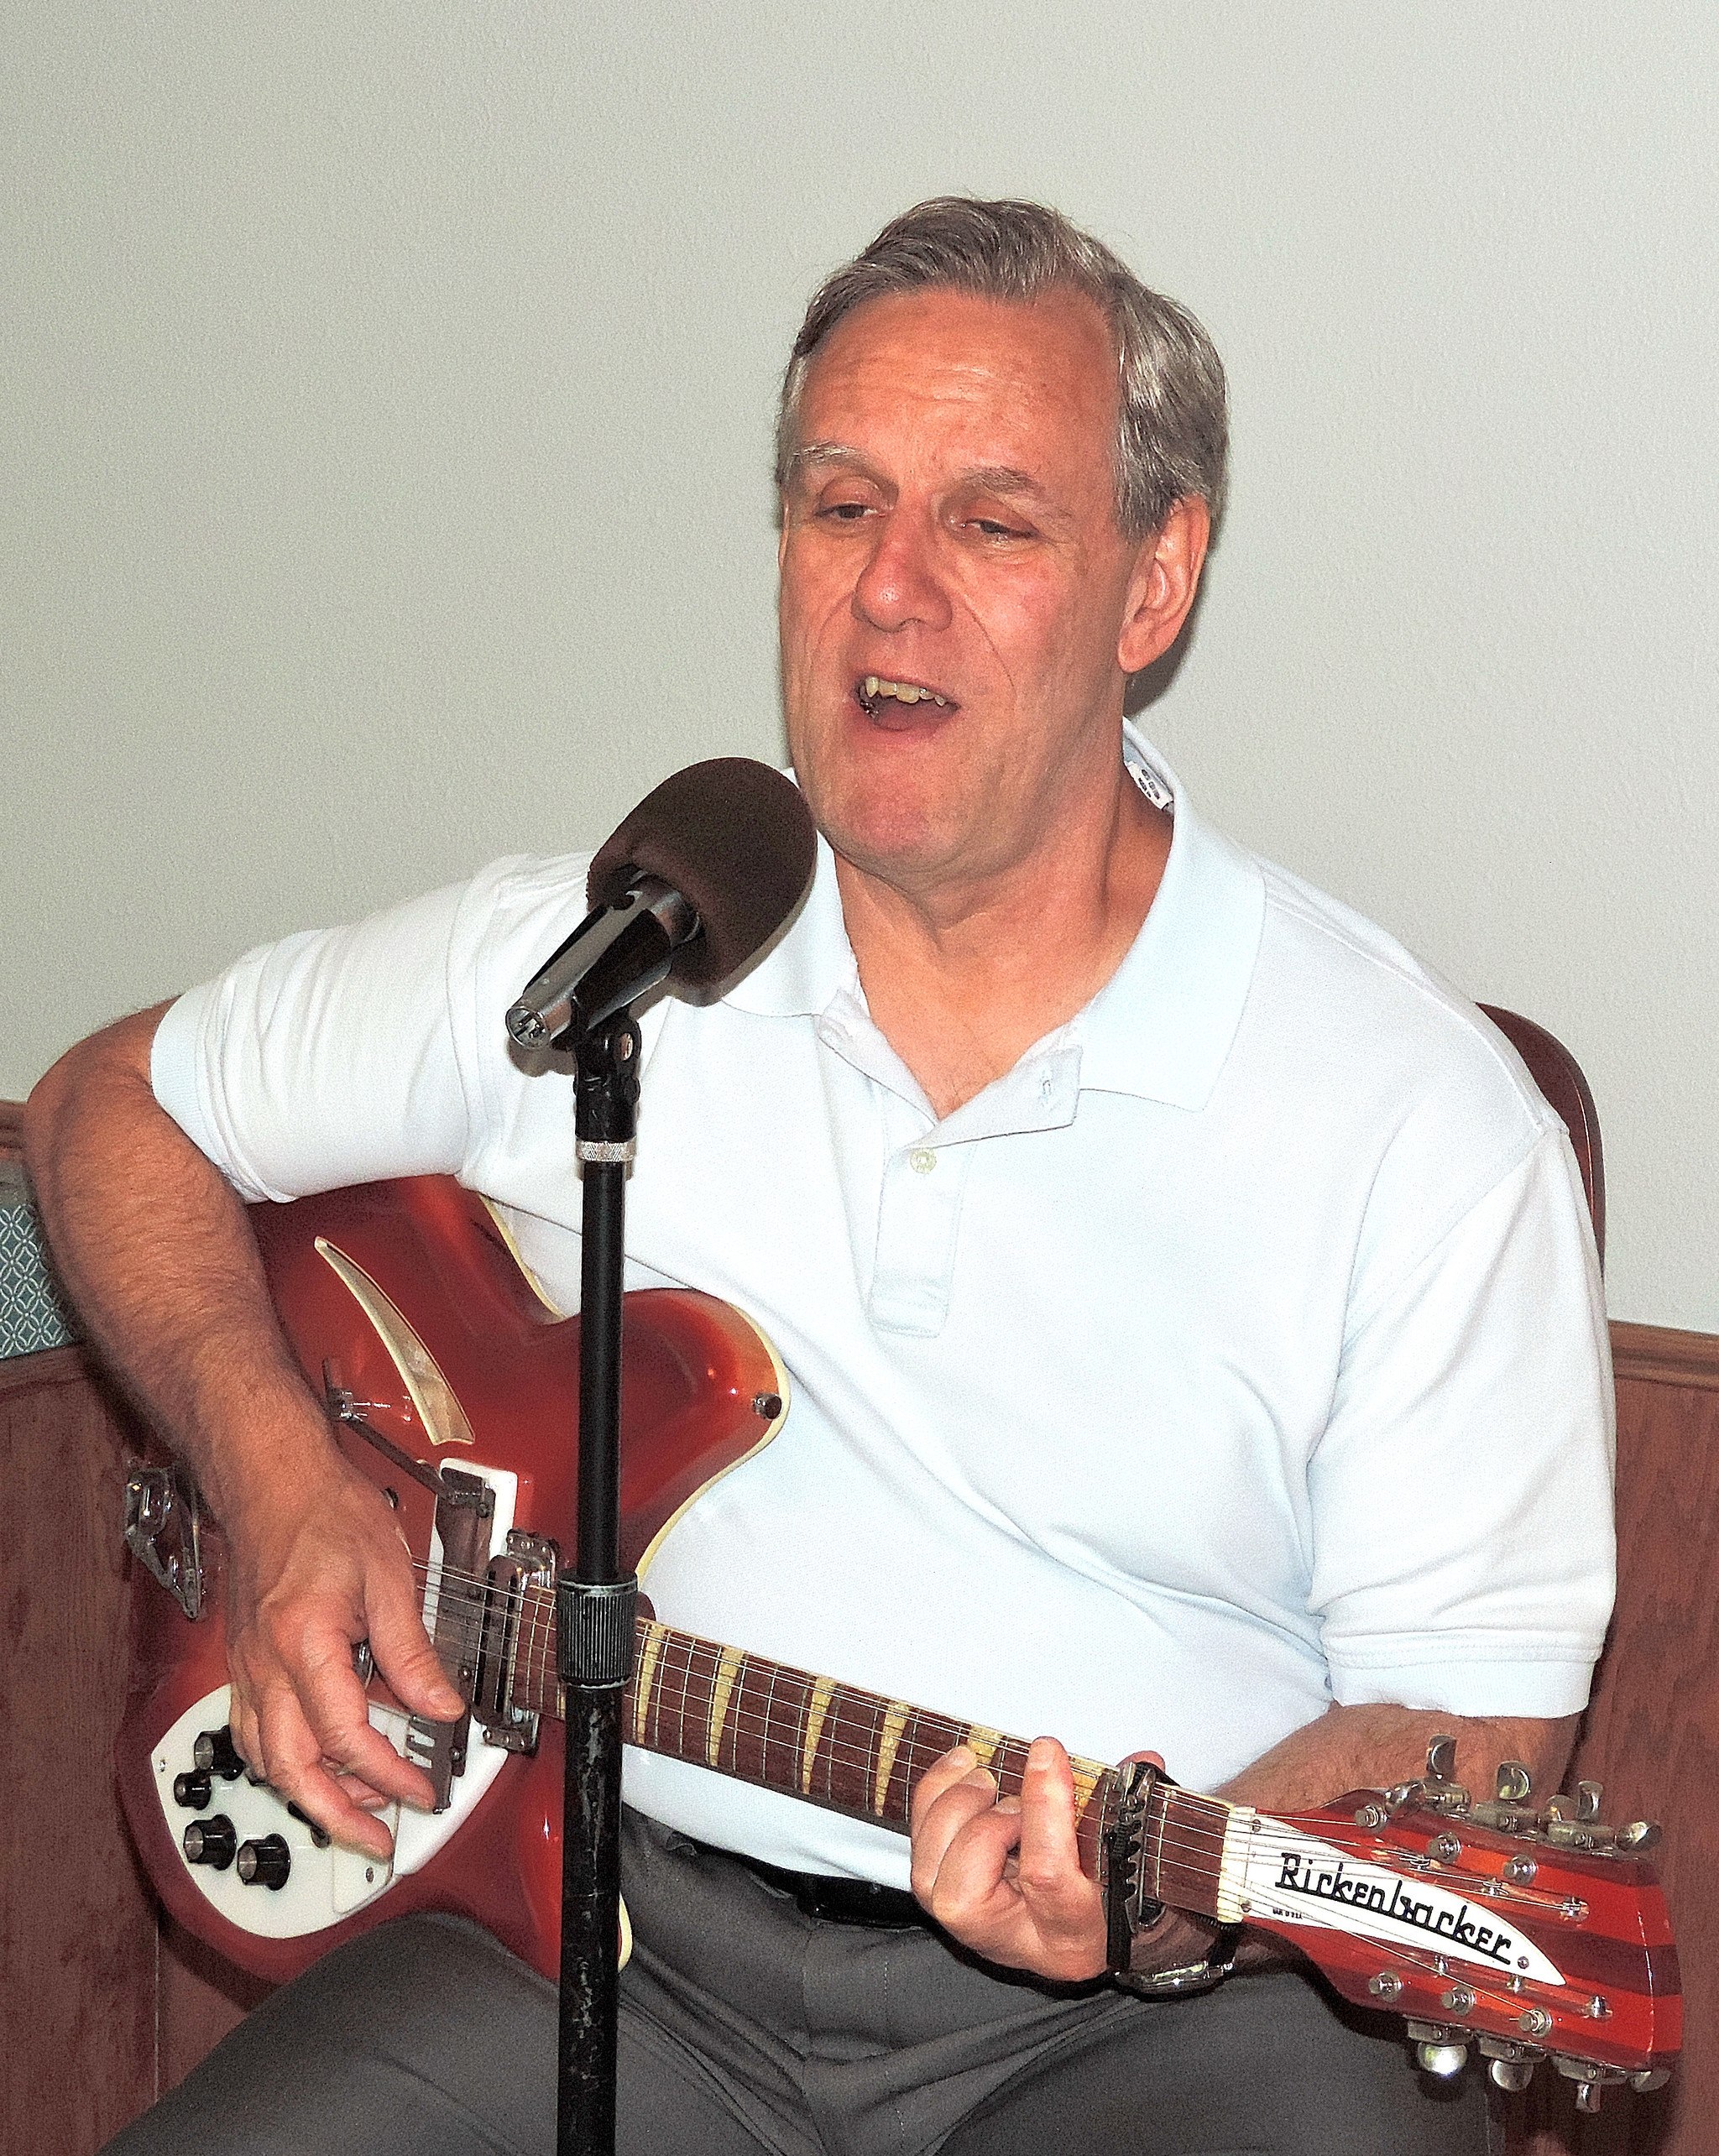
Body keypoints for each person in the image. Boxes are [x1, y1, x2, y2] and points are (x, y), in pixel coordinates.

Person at [26, 199, 1613, 2156]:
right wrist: (277, 1485)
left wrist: (1165, 1885)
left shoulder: (1413, 1120)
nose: (889, 592)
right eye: (840, 506)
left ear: (1153, 583)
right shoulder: (611, 957)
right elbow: (113, 1103)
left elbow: (1478, 1736)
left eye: (993, 522)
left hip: (1166, 2030)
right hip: (590, 1920)